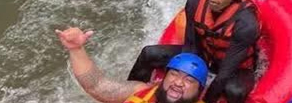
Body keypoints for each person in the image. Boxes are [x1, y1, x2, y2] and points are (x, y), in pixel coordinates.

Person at [128, 0, 259, 103]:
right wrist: (186, 74)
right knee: (149, 53)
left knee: (235, 91)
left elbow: (225, 73)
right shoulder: (194, 2)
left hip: (235, 66)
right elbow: (191, 45)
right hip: (205, 55)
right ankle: (131, 95)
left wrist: (205, 99)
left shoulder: (246, 24)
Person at [56, 27, 208, 103]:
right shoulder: (141, 92)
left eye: (189, 80)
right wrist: (76, 49)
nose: (178, 82)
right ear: (164, 78)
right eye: (174, 74)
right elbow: (96, 85)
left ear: (199, 91)